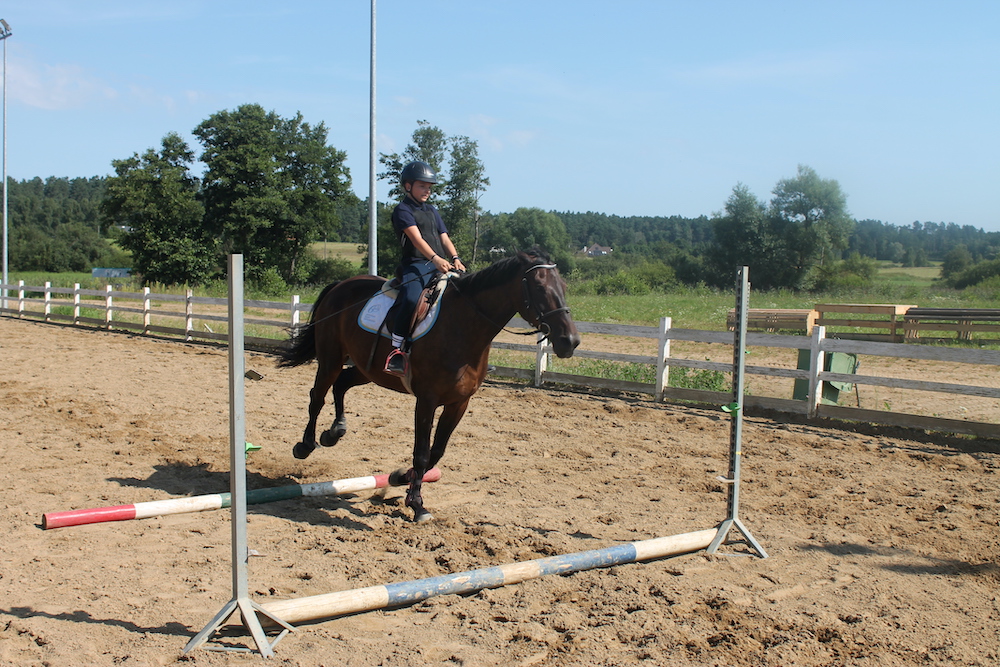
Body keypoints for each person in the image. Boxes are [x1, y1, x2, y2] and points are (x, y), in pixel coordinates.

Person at [384, 161, 466, 376]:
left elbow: (444, 238)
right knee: (411, 299)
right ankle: (397, 350)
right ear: (408, 186)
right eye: (422, 186)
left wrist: (455, 258)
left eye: (429, 187)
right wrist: (436, 259)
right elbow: (416, 239)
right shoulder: (402, 210)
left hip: (441, 264)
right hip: (416, 264)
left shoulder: (431, 210)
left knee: (465, 296)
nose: (427, 191)